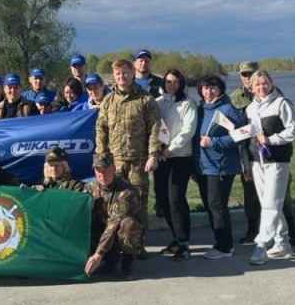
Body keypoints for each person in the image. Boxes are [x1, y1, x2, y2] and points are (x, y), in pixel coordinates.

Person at [95, 59, 160, 255]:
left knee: (138, 203)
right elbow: (101, 129)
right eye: (117, 74)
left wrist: (153, 154)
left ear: (132, 73)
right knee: (112, 204)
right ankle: (115, 246)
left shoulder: (145, 100)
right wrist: (101, 156)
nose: (121, 77)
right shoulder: (108, 100)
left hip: (138, 162)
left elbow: (155, 129)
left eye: (125, 73)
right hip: (114, 163)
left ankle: (137, 247)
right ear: (114, 76)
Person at [244, 70, 295, 265]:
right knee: (269, 205)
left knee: (271, 203)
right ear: (251, 87)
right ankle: (282, 243)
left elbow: (294, 130)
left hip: (277, 160)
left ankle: (261, 244)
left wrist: (271, 140)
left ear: (271, 82)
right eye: (257, 84)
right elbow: (250, 135)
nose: (261, 87)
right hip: (257, 162)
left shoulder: (281, 103)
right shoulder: (250, 108)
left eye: (264, 83)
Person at [196, 75, 247, 260]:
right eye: (205, 88)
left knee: (218, 206)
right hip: (205, 166)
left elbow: (243, 134)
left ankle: (225, 247)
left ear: (220, 89)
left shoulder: (227, 109)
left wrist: (214, 141)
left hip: (222, 166)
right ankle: (219, 242)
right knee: (212, 205)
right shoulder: (202, 109)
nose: (209, 91)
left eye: (213, 88)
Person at [154, 69, 200, 261]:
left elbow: (188, 131)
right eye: (168, 82)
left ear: (181, 84)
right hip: (161, 158)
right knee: (163, 200)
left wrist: (171, 149)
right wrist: (158, 150)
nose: (172, 85)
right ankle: (175, 238)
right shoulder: (158, 103)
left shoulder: (188, 104)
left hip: (180, 157)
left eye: (176, 82)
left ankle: (184, 242)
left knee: (176, 200)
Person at [85, 153, 143, 280]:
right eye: (98, 170)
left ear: (113, 168)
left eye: (105, 170)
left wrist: (98, 254)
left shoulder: (126, 191)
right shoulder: (90, 188)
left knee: (128, 224)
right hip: (102, 232)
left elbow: (113, 223)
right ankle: (110, 260)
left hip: (118, 232)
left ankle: (127, 262)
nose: (102, 174)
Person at [230, 61, 262, 245]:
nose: (248, 78)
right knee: (250, 193)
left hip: (270, 150)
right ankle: (252, 230)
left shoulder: (270, 91)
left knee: (280, 194)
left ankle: (291, 230)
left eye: (251, 73)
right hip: (246, 150)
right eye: (244, 74)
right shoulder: (234, 97)